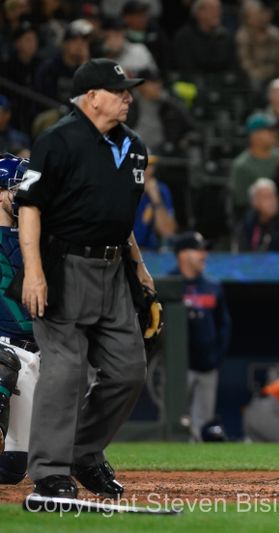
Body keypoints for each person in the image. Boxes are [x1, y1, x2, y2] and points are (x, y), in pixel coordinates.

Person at [15, 59, 154, 500]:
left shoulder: (133, 146)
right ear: (92, 96)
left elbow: (117, 215)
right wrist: (34, 272)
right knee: (65, 371)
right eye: (119, 90)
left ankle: (82, 451)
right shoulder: (57, 141)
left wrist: (141, 270)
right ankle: (50, 472)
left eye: (128, 89)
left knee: (128, 371)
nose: (128, 96)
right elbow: (31, 206)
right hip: (63, 264)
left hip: (113, 270)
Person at [0, 153, 39, 485]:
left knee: (12, 469)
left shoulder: (37, 239)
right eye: (16, 189)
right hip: (1, 352)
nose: (24, 196)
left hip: (34, 354)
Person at [171, 231, 231, 442]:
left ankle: (197, 474)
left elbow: (224, 326)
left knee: (203, 424)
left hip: (207, 365)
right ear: (183, 254)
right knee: (173, 423)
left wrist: (216, 357)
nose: (204, 255)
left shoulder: (213, 286)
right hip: (176, 369)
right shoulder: (167, 284)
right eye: (199, 250)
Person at [230, 112, 279, 217]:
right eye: (269, 130)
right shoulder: (241, 165)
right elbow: (241, 204)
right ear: (254, 135)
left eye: (274, 130)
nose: (274, 133)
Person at [235, 0, 279, 92]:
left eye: (259, 14)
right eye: (253, 15)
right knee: (255, 83)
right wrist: (259, 74)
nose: (257, 18)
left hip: (275, 74)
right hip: (255, 76)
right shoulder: (243, 36)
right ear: (246, 18)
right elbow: (245, 62)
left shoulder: (275, 34)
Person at [172, 0, 237, 77]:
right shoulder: (184, 37)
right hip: (194, 85)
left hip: (223, 86)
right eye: (213, 9)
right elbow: (187, 69)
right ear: (199, 13)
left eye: (219, 9)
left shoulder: (225, 36)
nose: (218, 13)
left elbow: (233, 68)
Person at [237, 178, 279, 252]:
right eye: (265, 197)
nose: (271, 202)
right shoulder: (247, 223)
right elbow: (241, 254)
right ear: (254, 202)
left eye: (272, 196)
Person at [133, 155, 177, 251]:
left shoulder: (160, 190)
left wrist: (155, 198)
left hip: (148, 252)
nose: (147, 170)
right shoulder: (120, 188)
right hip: (121, 251)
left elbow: (167, 232)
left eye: (150, 166)